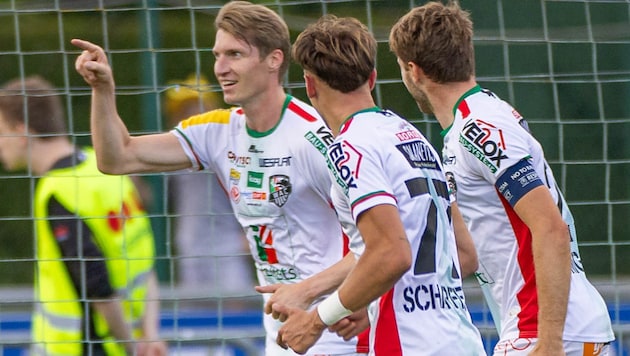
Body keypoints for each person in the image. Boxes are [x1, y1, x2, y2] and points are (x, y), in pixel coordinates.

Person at [71, 1, 367, 354]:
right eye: (217, 55)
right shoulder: (217, 130)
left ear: (274, 59)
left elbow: (382, 245)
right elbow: (117, 157)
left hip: (339, 336)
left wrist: (309, 295)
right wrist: (103, 90)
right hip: (281, 338)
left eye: (235, 55)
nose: (221, 68)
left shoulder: (313, 139)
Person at [389, 2, 615, 356]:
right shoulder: (473, 122)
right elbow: (471, 255)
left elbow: (549, 227)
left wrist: (550, 340)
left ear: (414, 71)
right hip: (545, 326)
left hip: (543, 331)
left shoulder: (479, 127)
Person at [272, 14, 486, 355]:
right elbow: (464, 254)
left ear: (310, 85)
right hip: (459, 339)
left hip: (407, 344)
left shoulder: (348, 147)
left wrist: (316, 321)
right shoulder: (412, 137)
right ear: (371, 79)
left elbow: (390, 253)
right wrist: (368, 296)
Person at [0, 75, 167, 356]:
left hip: (82, 347)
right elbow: (145, 263)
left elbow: (98, 288)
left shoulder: (58, 192)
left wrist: (132, 348)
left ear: (21, 131)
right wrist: (148, 336)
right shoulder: (103, 164)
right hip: (132, 340)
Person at [163, 73, 254, 298]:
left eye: (195, 106)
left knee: (237, 316)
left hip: (226, 248)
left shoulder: (230, 146)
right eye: (183, 109)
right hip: (189, 250)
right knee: (196, 321)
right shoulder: (173, 154)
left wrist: (249, 237)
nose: (189, 114)